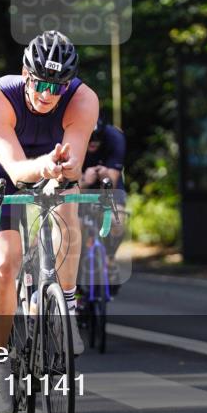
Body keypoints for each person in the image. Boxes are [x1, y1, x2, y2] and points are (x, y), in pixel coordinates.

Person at [0, 30, 99, 406]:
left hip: (54, 165)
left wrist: (62, 171)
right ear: (25, 74)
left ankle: (66, 308)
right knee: (6, 262)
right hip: (0, 167)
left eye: (57, 87)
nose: (47, 94)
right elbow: (14, 168)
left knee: (68, 216)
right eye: (41, 83)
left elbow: (74, 160)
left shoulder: (83, 99)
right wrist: (44, 167)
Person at [80, 117, 127, 294]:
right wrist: (85, 181)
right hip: (80, 187)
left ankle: (110, 257)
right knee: (75, 227)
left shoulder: (115, 137)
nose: (93, 143)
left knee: (118, 219)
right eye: (89, 139)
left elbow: (113, 181)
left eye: (97, 138)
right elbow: (71, 184)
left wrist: (105, 174)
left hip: (108, 188)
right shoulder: (74, 136)